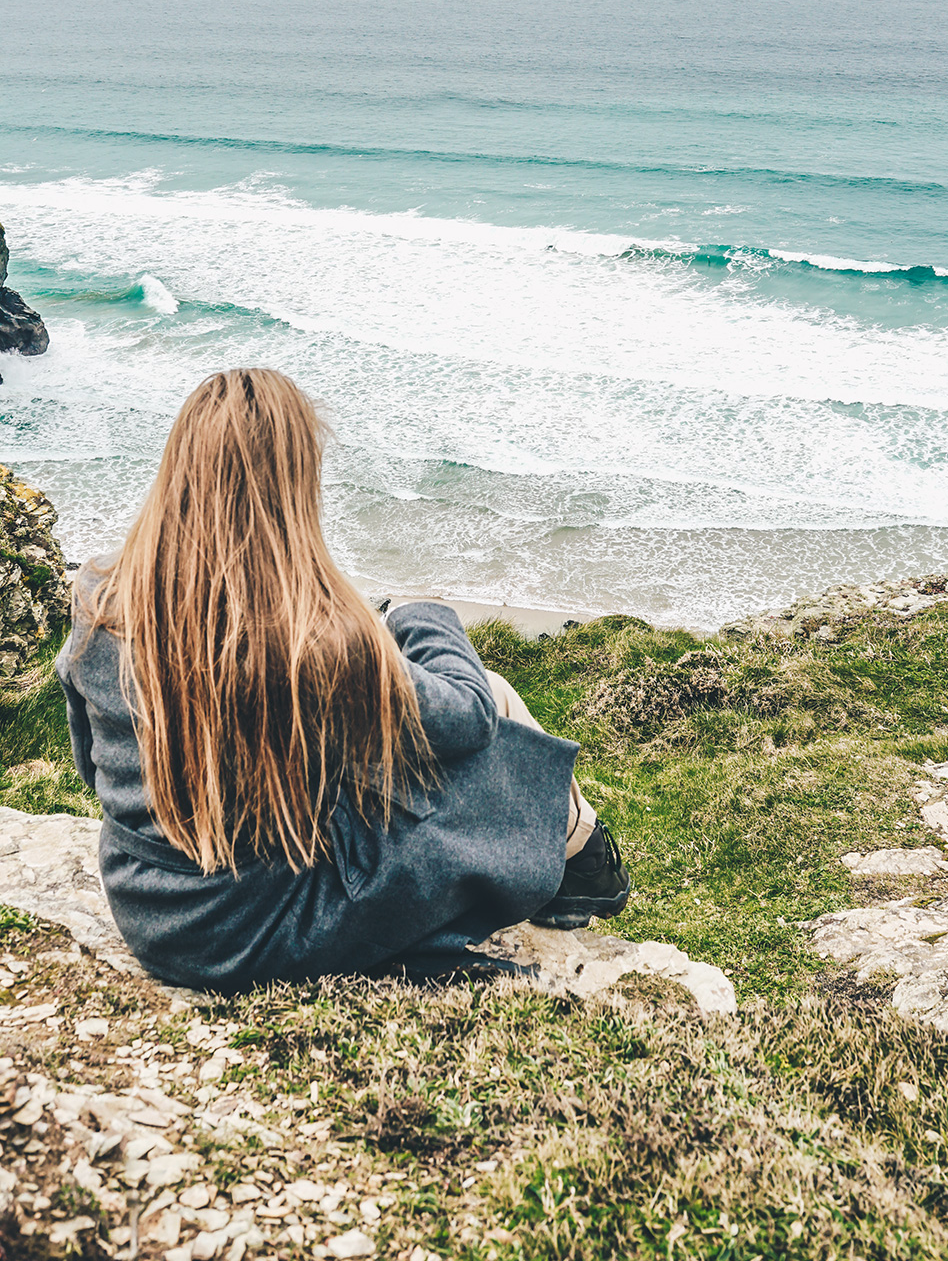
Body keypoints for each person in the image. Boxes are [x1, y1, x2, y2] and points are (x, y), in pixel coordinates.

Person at [56, 368, 630, 991]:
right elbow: (467, 719)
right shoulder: (315, 641)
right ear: (294, 485)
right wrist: (421, 612)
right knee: (489, 695)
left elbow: (93, 767)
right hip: (259, 929)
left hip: (147, 911)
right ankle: (586, 864)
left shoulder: (102, 599)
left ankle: (581, 862)